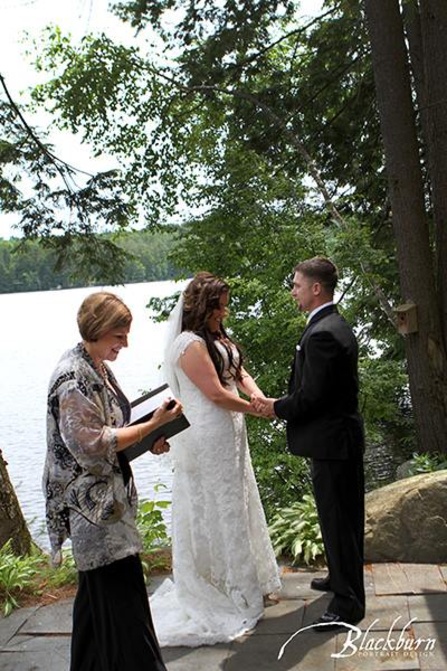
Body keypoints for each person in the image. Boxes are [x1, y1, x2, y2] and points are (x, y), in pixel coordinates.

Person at [42, 291, 183, 671]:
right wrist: (150, 425)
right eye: (119, 336)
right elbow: (89, 444)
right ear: (98, 329)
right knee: (122, 601)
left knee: (96, 604)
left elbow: (113, 425)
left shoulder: (96, 365)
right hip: (92, 510)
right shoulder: (72, 377)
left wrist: (148, 438)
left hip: (107, 501)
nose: (125, 344)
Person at [149, 271, 281, 647]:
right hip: (207, 431)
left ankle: (247, 579)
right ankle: (224, 586)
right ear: (203, 305)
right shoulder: (188, 345)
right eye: (219, 305)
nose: (225, 311)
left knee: (237, 499)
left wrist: (259, 398)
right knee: (217, 504)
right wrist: (259, 412)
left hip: (231, 430)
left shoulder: (216, 337)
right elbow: (215, 395)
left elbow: (238, 373)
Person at [252, 257, 365, 631]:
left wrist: (275, 407)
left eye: (297, 285)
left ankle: (348, 604)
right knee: (337, 518)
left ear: (317, 288)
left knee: (340, 522)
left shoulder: (323, 334)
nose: (293, 291)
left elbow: (313, 397)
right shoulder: (332, 324)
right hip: (335, 441)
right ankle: (339, 578)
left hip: (334, 443)